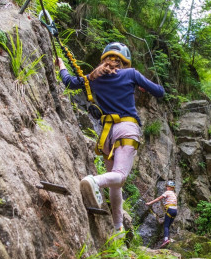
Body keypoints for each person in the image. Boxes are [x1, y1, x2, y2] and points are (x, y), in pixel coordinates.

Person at [56, 42, 165, 233]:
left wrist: (62, 67)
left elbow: (70, 82)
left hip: (107, 133)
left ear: (105, 58)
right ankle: (93, 182)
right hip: (126, 128)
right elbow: (160, 92)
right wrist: (142, 86)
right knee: (120, 177)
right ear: (124, 61)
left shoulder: (93, 78)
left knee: (115, 185)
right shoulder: (131, 74)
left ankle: (118, 228)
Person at [146, 181, 177, 248]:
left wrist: (150, 203)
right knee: (168, 226)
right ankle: (168, 239)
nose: (166, 187)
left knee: (165, 226)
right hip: (175, 211)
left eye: (167, 186)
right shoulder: (174, 194)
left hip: (170, 210)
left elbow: (158, 199)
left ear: (170, 187)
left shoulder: (167, 192)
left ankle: (166, 239)